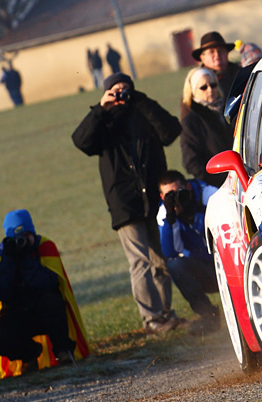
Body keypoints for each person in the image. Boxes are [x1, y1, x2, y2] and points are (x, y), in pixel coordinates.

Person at [71, 73, 183, 334]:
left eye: (126, 90)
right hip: (125, 202)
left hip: (154, 199)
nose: (121, 95)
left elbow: (171, 131)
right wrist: (100, 109)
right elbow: (81, 141)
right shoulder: (103, 122)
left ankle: (166, 314)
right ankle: (152, 319)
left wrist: (141, 101)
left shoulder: (143, 114)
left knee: (161, 259)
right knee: (140, 262)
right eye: (115, 91)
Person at [0, 210, 90, 377]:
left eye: (25, 235)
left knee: (52, 301)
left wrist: (26, 260)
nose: (22, 241)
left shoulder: (44, 246)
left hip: (45, 311)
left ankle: (63, 351)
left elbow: (48, 283)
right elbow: (0, 292)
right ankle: (29, 355)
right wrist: (10, 260)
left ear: (33, 232)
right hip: (18, 314)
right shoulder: (1, 255)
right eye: (17, 238)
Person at [156, 171, 220, 336]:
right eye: (170, 195)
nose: (176, 197)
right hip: (204, 270)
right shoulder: (165, 214)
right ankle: (208, 316)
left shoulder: (208, 195)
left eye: (179, 192)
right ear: (162, 197)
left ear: (188, 186)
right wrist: (171, 219)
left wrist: (196, 210)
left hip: (227, 260)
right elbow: (171, 252)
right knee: (175, 265)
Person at [179, 67, 232, 188]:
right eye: (203, 87)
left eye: (213, 85)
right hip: (219, 185)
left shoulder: (229, 109)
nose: (210, 90)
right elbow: (191, 162)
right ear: (193, 92)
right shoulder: (190, 121)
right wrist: (218, 182)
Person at [192, 31, 240, 99]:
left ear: (227, 53)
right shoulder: (197, 81)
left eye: (220, 51)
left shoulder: (240, 74)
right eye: (211, 52)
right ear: (202, 57)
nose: (217, 55)